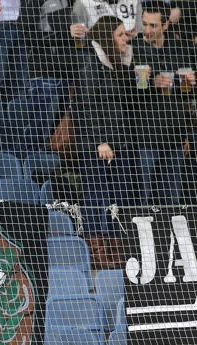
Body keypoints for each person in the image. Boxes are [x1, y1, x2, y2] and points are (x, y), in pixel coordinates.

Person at [72, 14, 138, 269]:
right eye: (120, 35)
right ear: (107, 37)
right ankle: (96, 253)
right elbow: (87, 107)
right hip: (96, 146)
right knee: (97, 195)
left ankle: (117, 249)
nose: (126, 39)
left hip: (119, 143)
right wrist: (101, 141)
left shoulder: (118, 63)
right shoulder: (91, 63)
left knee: (120, 194)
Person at [130, 1, 194, 206]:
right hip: (144, 136)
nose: (147, 30)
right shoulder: (135, 47)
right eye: (145, 24)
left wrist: (192, 84)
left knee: (172, 202)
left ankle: (171, 239)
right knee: (143, 199)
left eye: (153, 25)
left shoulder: (181, 48)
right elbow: (128, 93)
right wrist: (150, 83)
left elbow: (187, 95)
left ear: (165, 25)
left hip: (174, 136)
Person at [70, 0, 142, 43]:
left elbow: (141, 32)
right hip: (98, 56)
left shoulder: (134, 1)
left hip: (131, 50)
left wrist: (135, 34)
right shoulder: (82, 3)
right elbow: (80, 39)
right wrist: (88, 35)